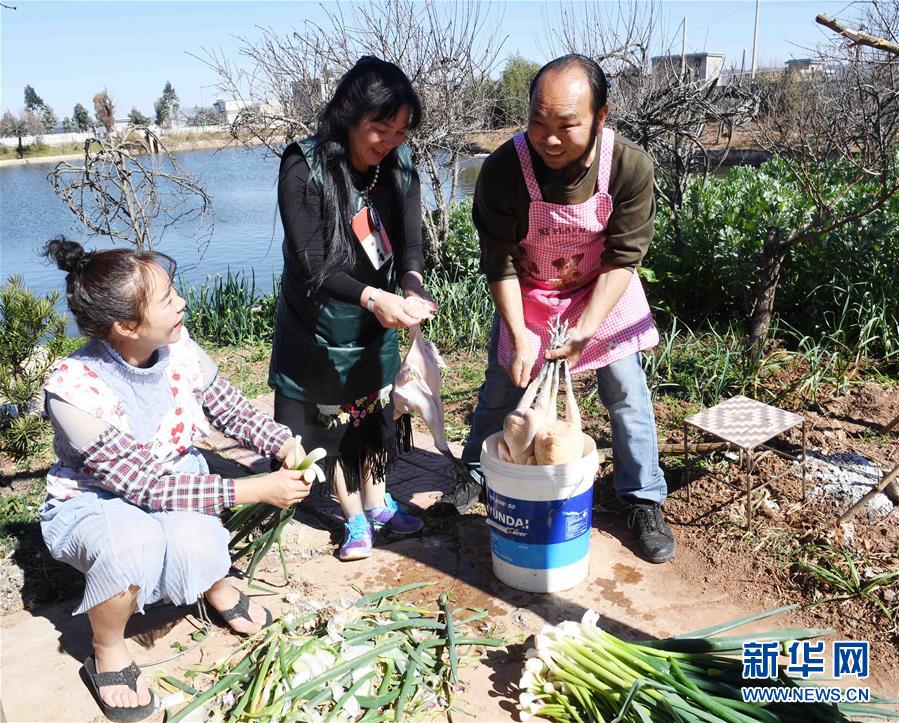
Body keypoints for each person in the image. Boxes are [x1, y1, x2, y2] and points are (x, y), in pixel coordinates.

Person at [39, 238, 312, 722]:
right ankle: (107, 648)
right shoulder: (73, 389)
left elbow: (229, 408)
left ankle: (212, 582)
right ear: (125, 326)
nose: (181, 302)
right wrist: (252, 489)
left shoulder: (177, 347)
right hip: (97, 501)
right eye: (167, 299)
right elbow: (145, 486)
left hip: (172, 480)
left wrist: (280, 442)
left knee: (195, 540)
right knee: (132, 542)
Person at [435, 55, 676, 564]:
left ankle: (641, 498)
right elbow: (497, 260)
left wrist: (588, 328)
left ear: (600, 117)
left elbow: (623, 258)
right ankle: (477, 474)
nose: (549, 139)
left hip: (601, 290)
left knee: (626, 392)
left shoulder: (629, 166)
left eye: (566, 125)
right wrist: (521, 335)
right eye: (538, 123)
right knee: (503, 384)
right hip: (530, 288)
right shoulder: (505, 168)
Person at [271, 56, 436, 562]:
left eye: (401, 130)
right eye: (379, 128)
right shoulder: (304, 166)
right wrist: (372, 296)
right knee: (331, 420)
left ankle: (379, 500)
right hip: (318, 320)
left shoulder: (399, 167)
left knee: (373, 411)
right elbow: (311, 265)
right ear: (348, 116)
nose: (389, 141)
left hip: (376, 314)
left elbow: (409, 246)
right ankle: (353, 515)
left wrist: (409, 288)